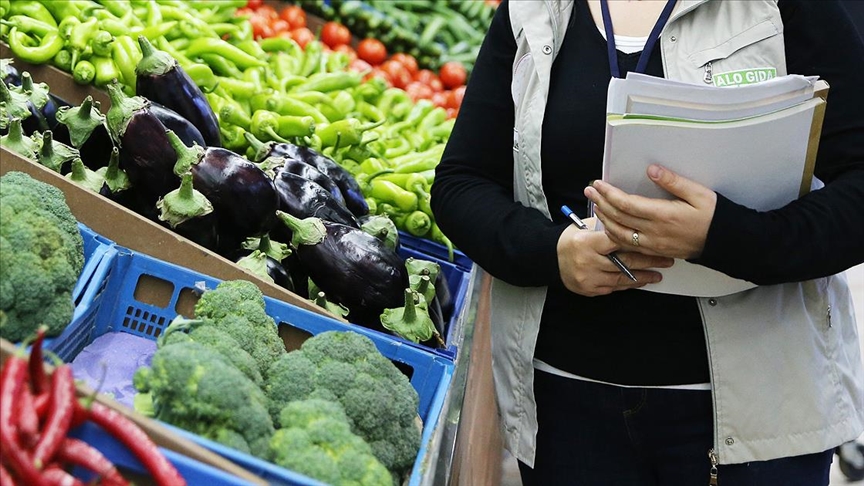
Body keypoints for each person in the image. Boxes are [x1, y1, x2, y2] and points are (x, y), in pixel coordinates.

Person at [430, 0, 864, 484]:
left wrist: (723, 236)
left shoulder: (786, 8)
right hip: (566, 413)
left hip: (756, 425)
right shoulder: (535, 8)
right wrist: (552, 253)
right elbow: (460, 183)